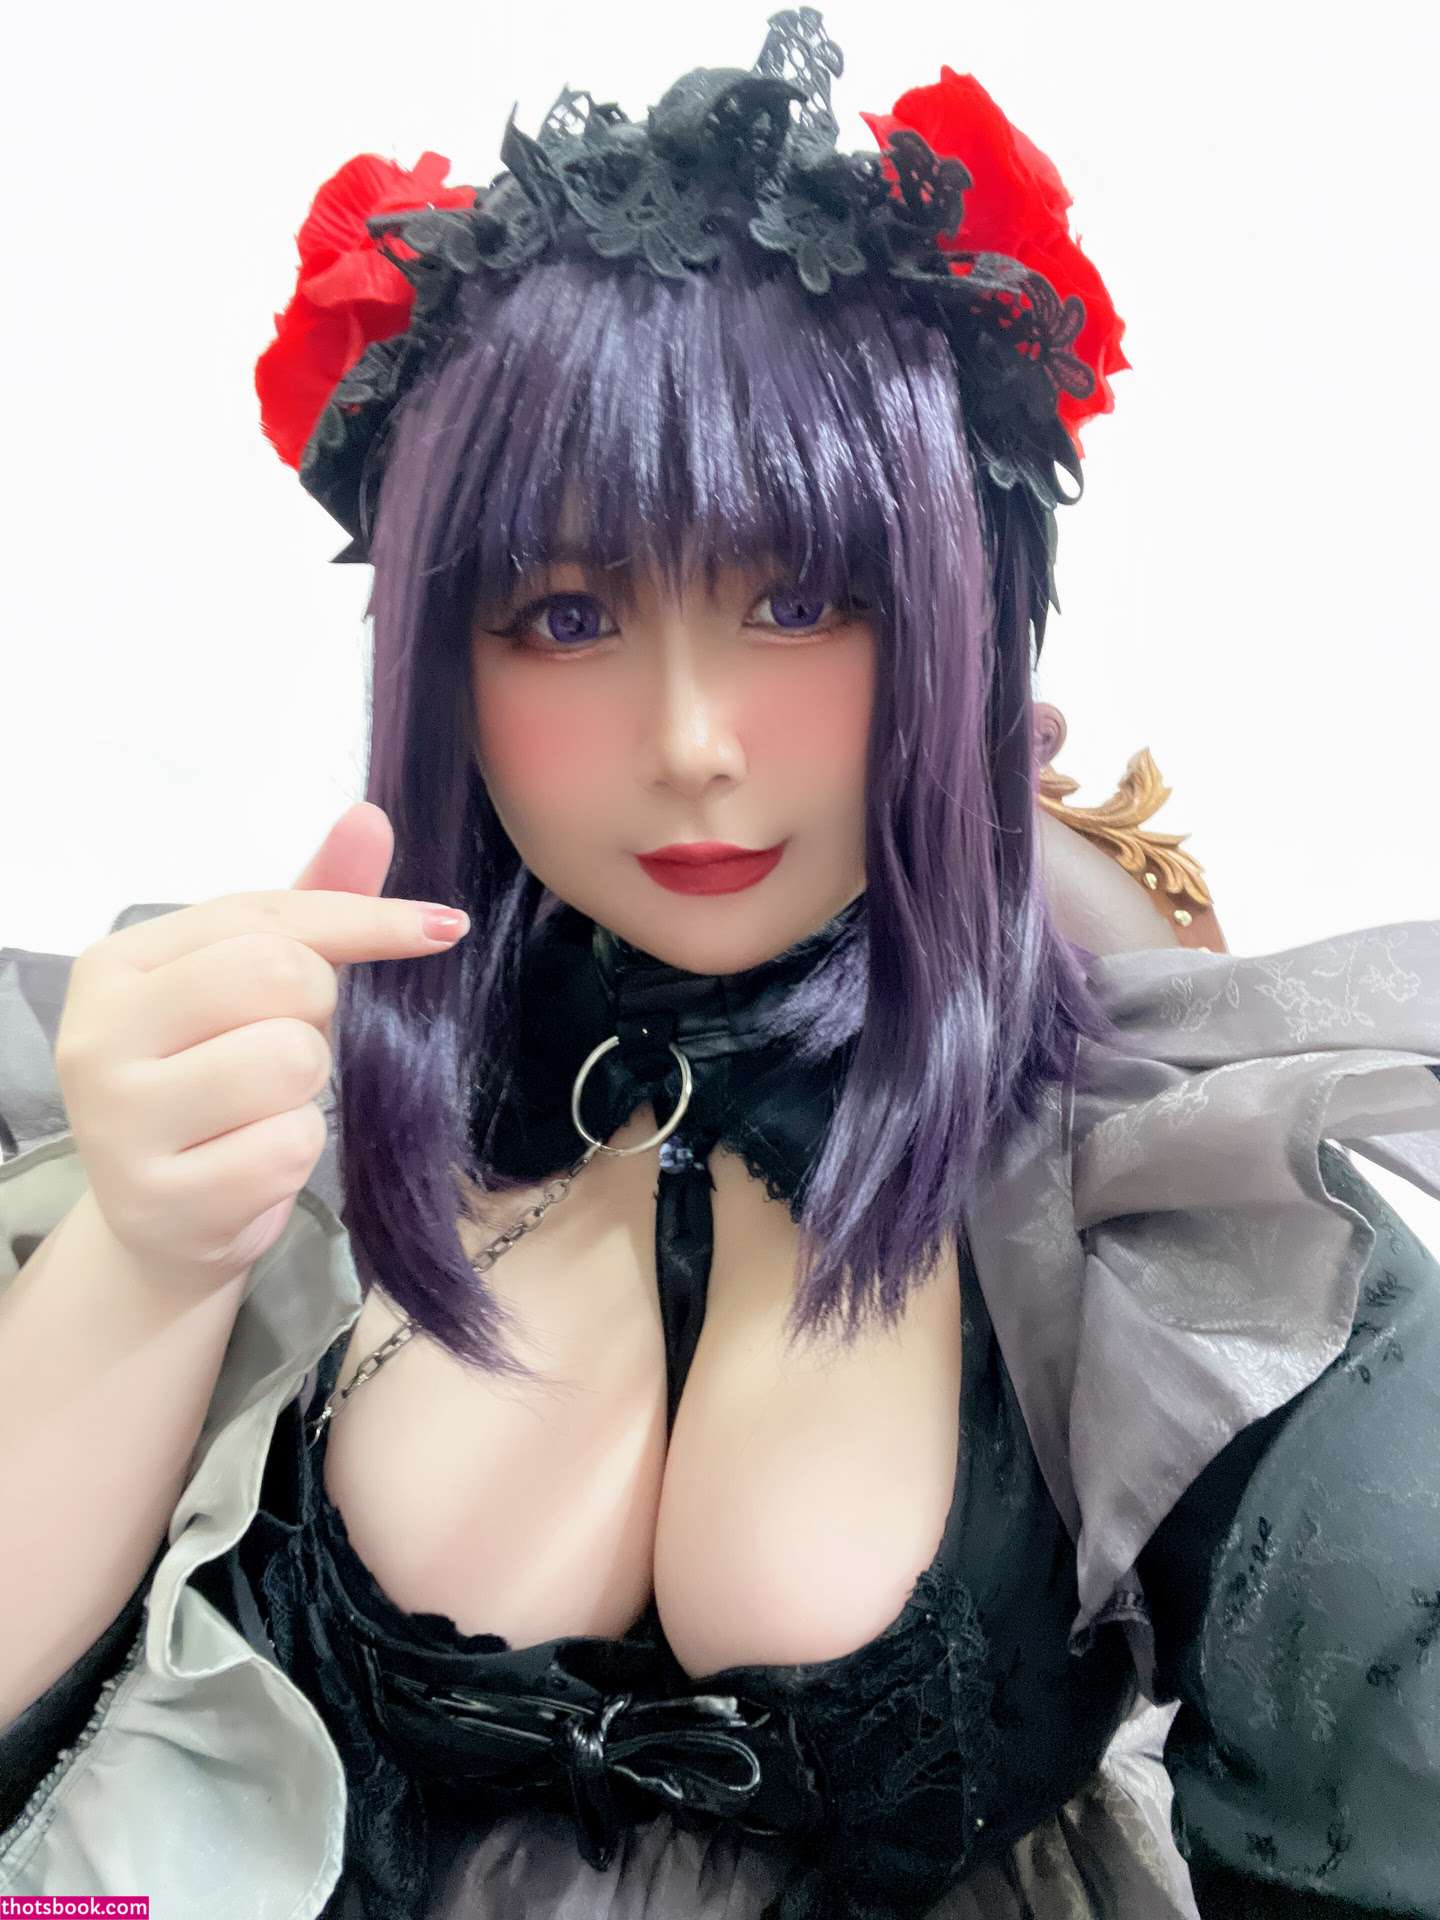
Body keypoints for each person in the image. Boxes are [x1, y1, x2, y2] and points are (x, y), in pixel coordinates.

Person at [2, 11, 1439, 1916]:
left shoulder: (1145, 1177)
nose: (689, 740)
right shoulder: (296, 1078)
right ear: (441, 661)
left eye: (801, 599)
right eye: (564, 614)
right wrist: (152, 1251)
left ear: (963, 611)